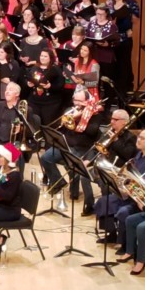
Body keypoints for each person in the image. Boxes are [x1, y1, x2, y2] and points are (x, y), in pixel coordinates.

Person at [38, 86, 105, 215]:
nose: (76, 103)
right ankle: (59, 182)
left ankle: (77, 194)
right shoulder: (69, 110)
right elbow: (61, 129)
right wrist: (64, 122)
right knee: (45, 158)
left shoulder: (94, 114)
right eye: (75, 100)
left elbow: (92, 131)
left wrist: (78, 119)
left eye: (80, 101)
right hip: (65, 145)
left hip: (82, 148)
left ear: (86, 101)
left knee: (72, 165)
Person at [94, 124, 145, 244]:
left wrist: (126, 186)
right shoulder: (139, 155)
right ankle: (111, 234)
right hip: (129, 193)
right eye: (139, 137)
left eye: (142, 138)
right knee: (103, 201)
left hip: (139, 198)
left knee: (123, 211)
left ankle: (125, 243)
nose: (138, 140)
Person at [108, 0, 141, 93]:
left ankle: (124, 89)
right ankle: (114, 90)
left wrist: (129, 28)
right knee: (113, 64)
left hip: (125, 39)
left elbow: (134, 20)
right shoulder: (110, 5)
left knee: (124, 64)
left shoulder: (129, 5)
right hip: (112, 38)